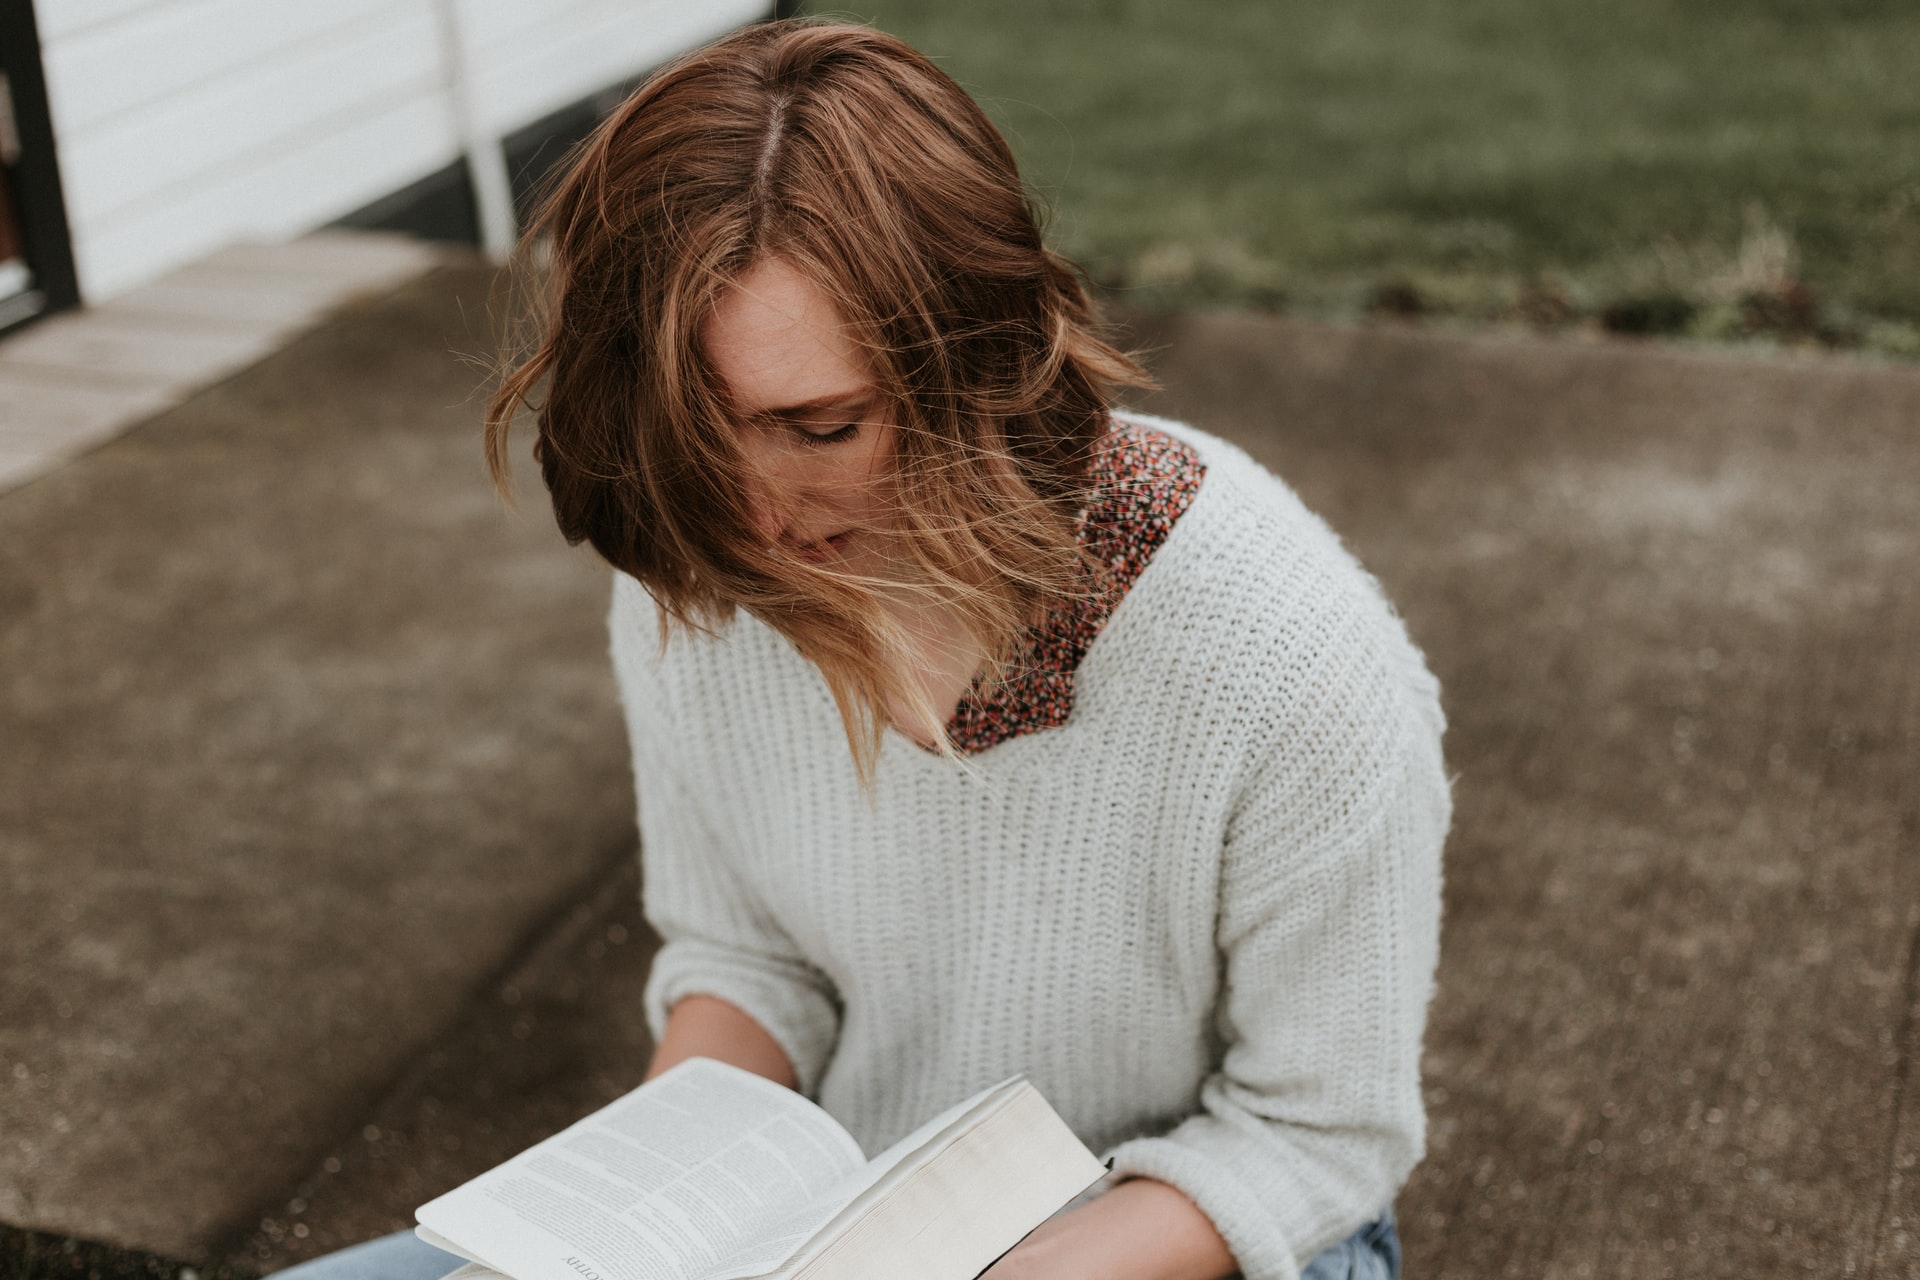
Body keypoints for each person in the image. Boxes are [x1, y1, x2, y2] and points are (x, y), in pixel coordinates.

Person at [278, 17, 1447, 1280]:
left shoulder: (1284, 650)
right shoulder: (701, 565)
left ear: (978, 363)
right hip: (835, 1218)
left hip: (1190, 1231)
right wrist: (647, 1223)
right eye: (695, 438)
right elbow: (748, 956)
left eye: (822, 427)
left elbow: (1316, 1137)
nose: (756, 516)